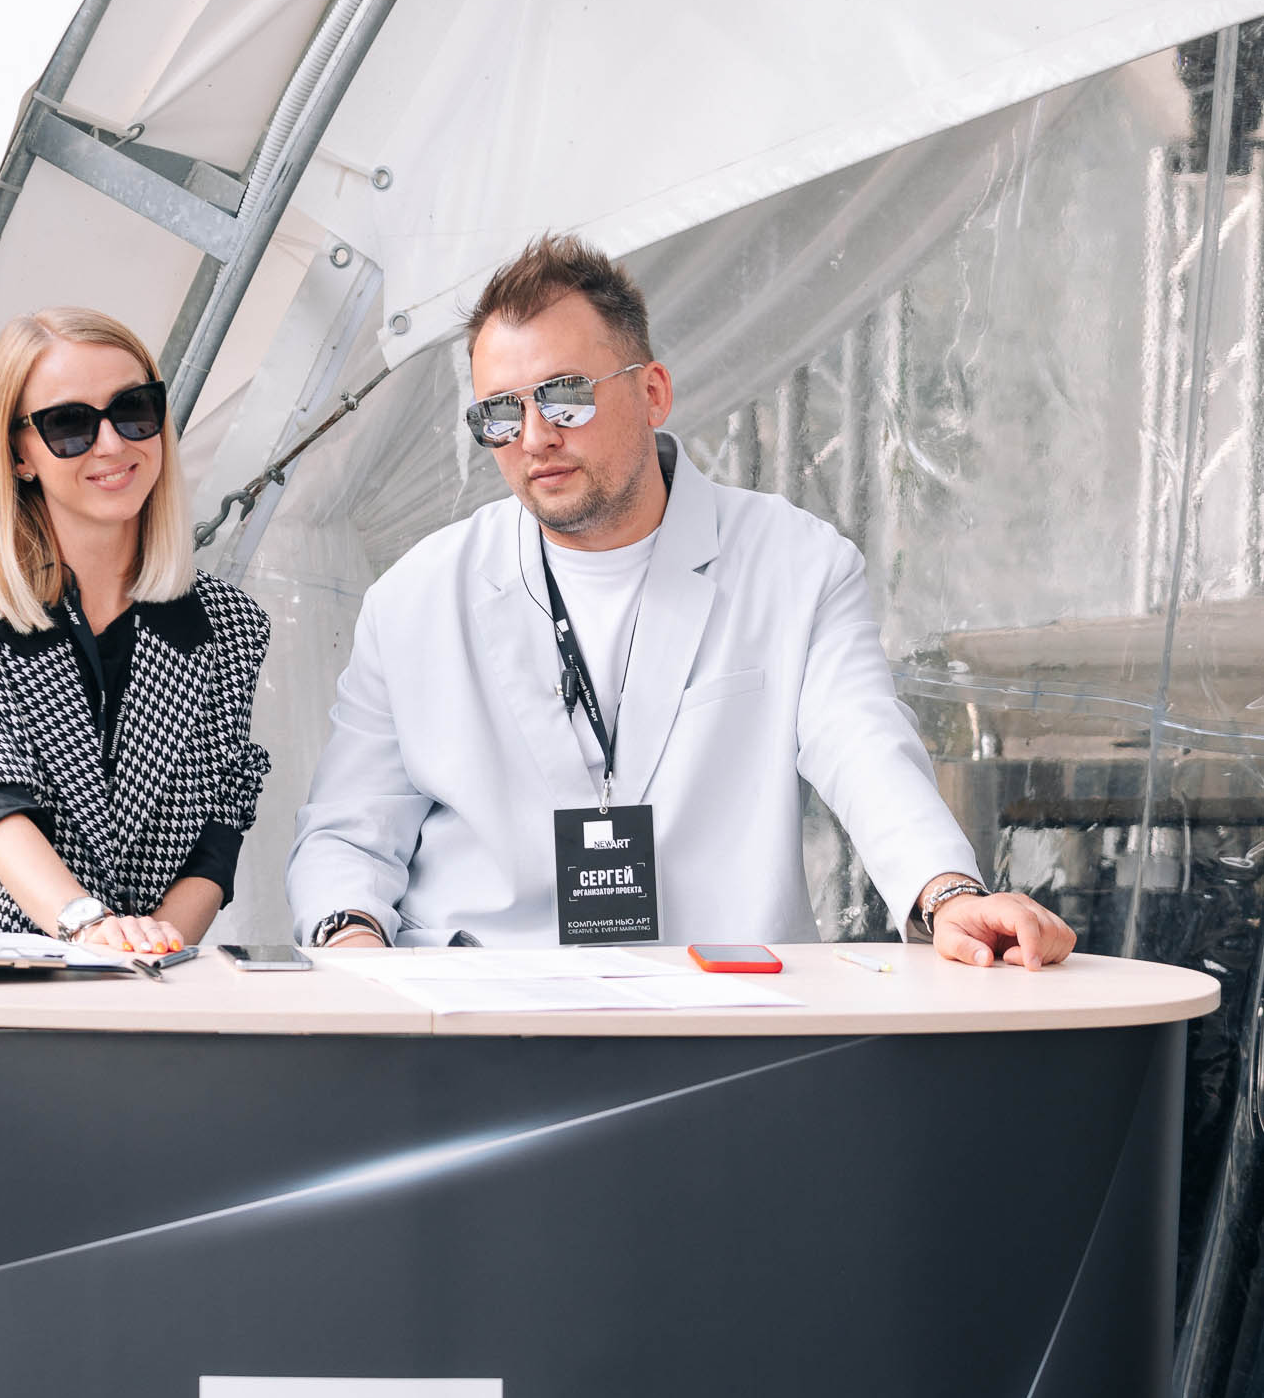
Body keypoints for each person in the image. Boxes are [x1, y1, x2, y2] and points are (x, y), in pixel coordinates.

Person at [286, 235, 1074, 969]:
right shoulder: (417, 597)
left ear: (652, 392)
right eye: (500, 411)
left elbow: (862, 746)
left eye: (564, 397)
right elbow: (350, 828)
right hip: (479, 999)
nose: (533, 437)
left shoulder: (795, 564)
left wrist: (945, 893)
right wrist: (353, 945)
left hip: (719, 1000)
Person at [0, 306, 269, 954]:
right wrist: (88, 926)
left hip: (137, 976)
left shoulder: (228, 627)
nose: (111, 443)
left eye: (133, 409)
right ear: (18, 455)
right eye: (69, 424)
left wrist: (153, 952)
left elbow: (217, 835)